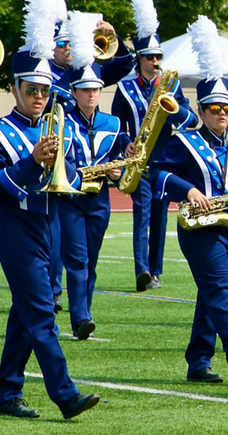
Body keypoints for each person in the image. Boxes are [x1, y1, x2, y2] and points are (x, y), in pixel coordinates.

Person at [152, 16, 228, 384]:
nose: (221, 115)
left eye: (226, 108)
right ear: (202, 110)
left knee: (213, 293)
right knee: (220, 289)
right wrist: (188, 190)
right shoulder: (186, 140)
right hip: (198, 227)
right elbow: (156, 172)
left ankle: (198, 361)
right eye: (214, 109)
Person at [0, 4, 99, 420]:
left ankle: (6, 391)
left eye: (44, 90)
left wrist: (82, 171)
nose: (40, 97)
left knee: (27, 314)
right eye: (31, 90)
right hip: (14, 226)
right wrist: (31, 162)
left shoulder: (53, 126)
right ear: (15, 89)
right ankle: (65, 393)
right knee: (42, 313)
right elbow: (3, 183)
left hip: (51, 224)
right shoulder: (2, 132)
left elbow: (71, 175)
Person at [112, 0, 198, 292]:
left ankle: (156, 269)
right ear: (140, 59)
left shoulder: (171, 85)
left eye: (158, 56)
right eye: (150, 57)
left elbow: (191, 118)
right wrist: (125, 144)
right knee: (142, 214)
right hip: (139, 159)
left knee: (160, 215)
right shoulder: (125, 88)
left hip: (165, 159)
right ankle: (142, 270)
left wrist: (175, 112)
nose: (156, 61)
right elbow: (116, 127)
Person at [60, 13, 134, 340]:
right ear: (74, 92)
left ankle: (83, 313)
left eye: (96, 89)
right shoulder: (61, 120)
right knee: (76, 259)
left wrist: (121, 166)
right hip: (70, 198)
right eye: (85, 90)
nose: (91, 95)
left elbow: (120, 155)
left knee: (91, 259)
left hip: (100, 198)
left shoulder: (113, 124)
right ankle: (80, 317)